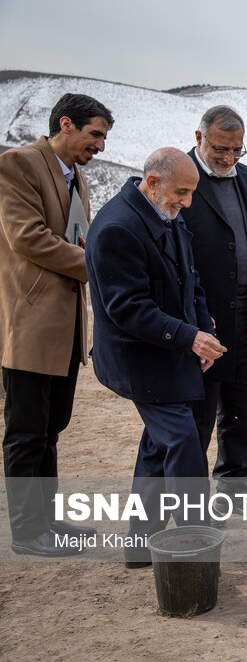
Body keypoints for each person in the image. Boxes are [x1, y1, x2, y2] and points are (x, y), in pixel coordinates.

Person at [86, 148, 225, 567]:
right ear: (152, 182)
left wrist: (205, 328)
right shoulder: (117, 229)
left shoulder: (165, 210)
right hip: (138, 359)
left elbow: (190, 278)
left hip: (170, 350)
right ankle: (193, 543)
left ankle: (139, 546)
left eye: (190, 194)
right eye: (181, 193)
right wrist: (189, 338)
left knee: (156, 447)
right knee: (182, 441)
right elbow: (128, 309)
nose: (186, 203)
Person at [0, 93, 113, 557]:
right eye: (95, 135)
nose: (101, 146)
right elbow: (27, 237)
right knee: (26, 430)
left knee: (51, 427)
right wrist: (98, 264)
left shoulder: (77, 178)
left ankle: (47, 520)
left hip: (66, 326)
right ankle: (28, 531)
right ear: (65, 124)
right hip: (30, 323)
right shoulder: (18, 165)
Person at [180, 106, 247, 510]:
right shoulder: (182, 177)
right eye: (220, 149)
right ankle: (192, 496)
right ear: (199, 138)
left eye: (236, 150)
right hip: (203, 316)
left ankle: (239, 479)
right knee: (200, 408)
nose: (228, 159)